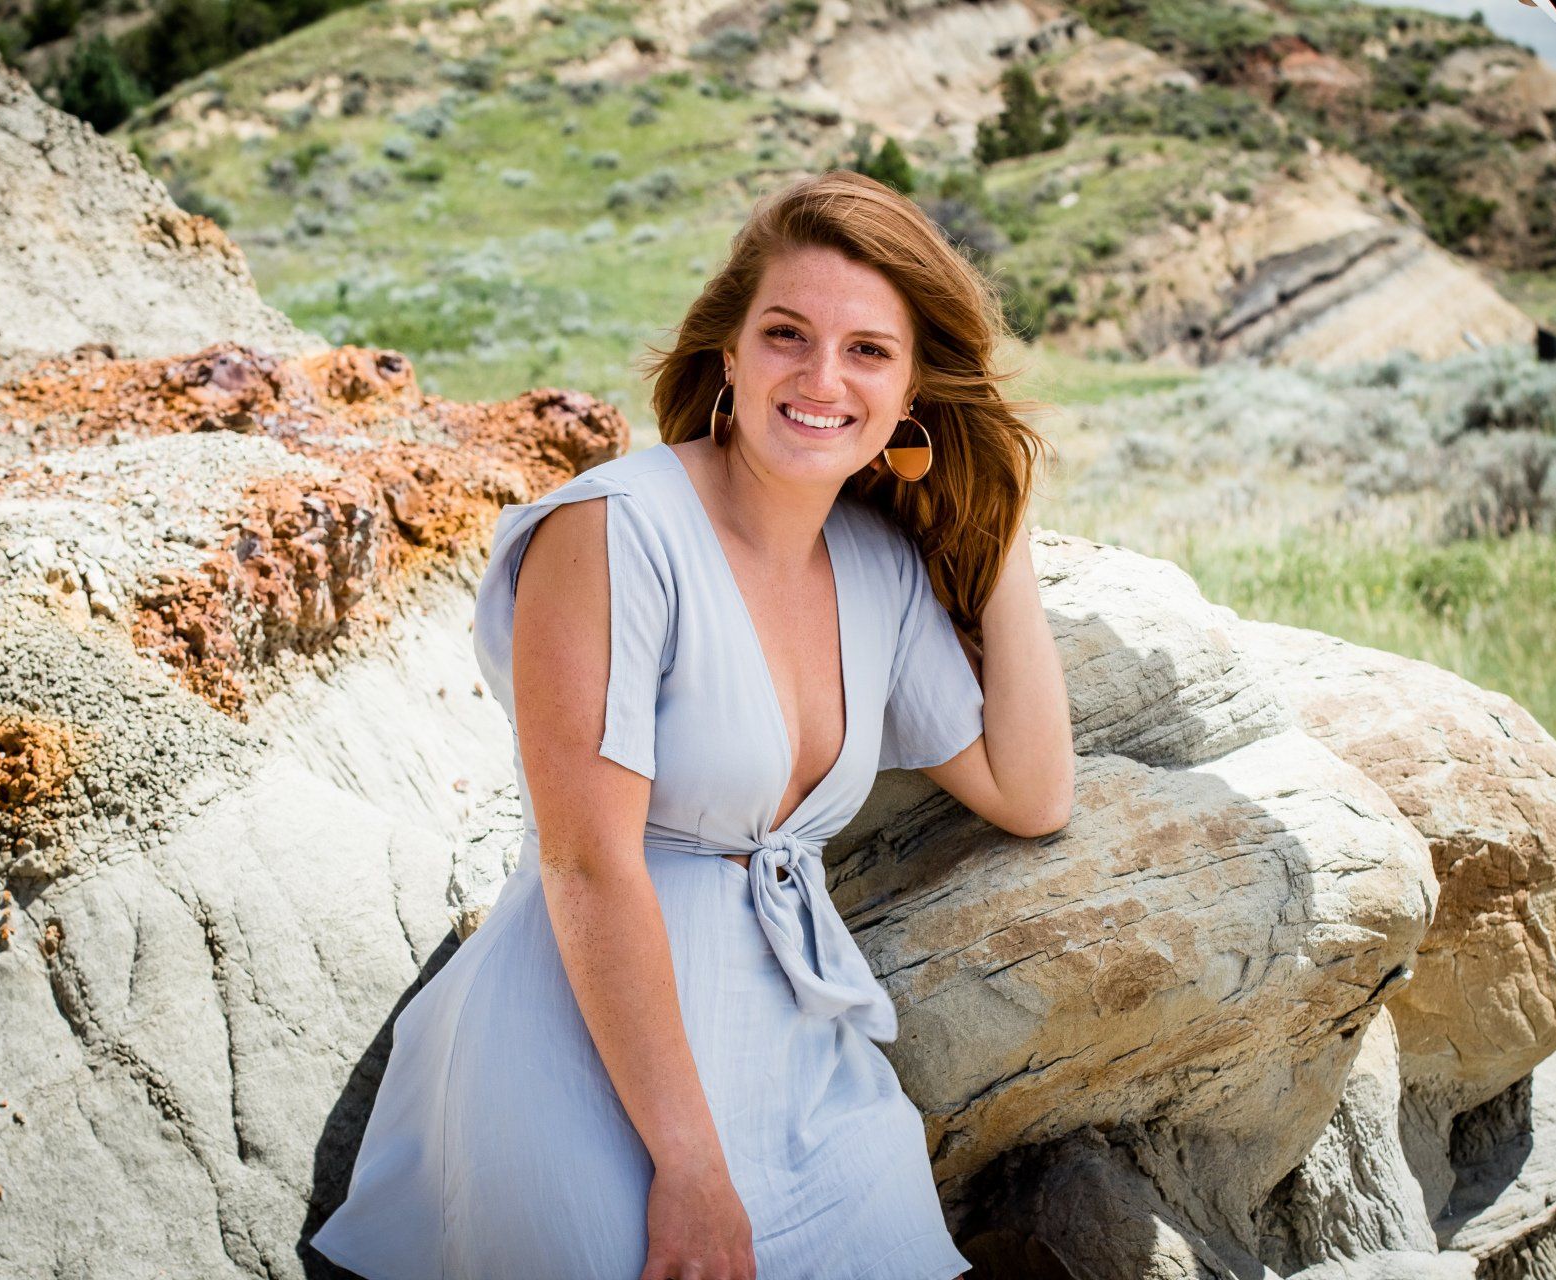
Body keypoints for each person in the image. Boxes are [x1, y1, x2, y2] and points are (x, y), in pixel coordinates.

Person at [308, 169, 1075, 1280]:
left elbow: (1031, 792)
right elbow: (586, 863)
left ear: (913, 390)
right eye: (786, 334)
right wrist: (690, 1164)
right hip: (586, 1049)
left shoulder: (878, 563)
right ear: (730, 353)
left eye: (868, 349)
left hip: (803, 1059)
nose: (822, 378)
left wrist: (994, 513)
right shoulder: (616, 528)